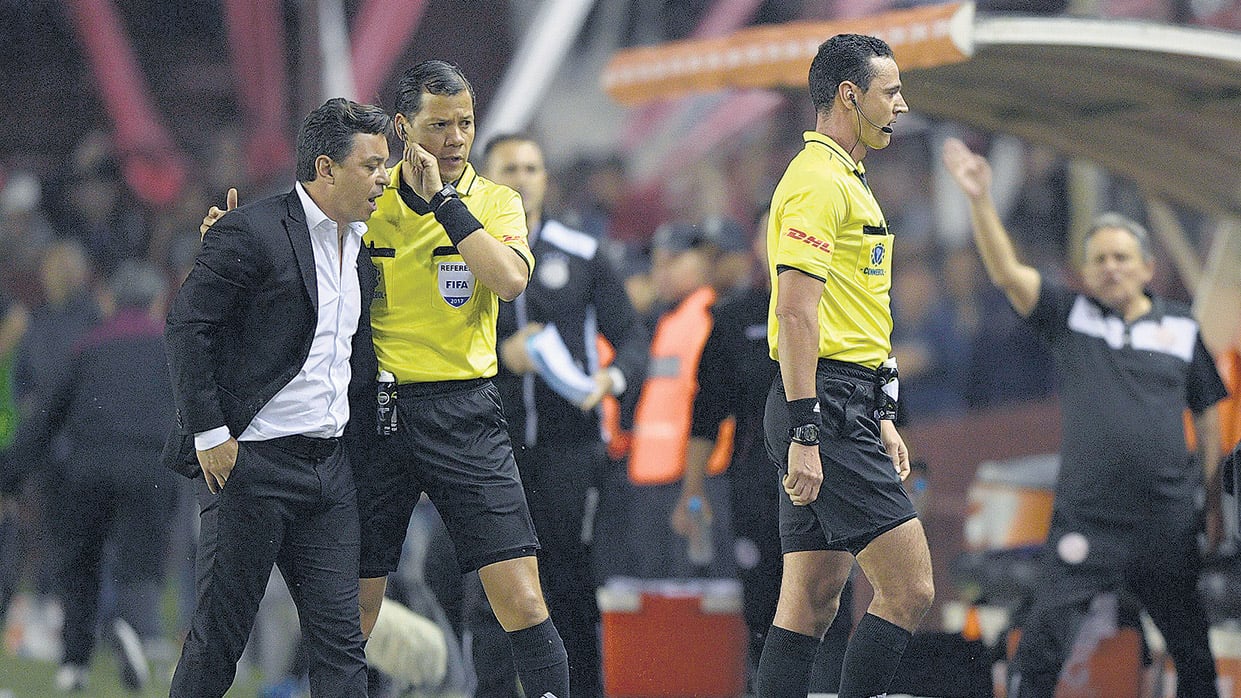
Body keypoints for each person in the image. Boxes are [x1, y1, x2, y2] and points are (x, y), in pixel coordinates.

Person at [942, 137, 1229, 697]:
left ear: (1147, 266)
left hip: (1166, 520)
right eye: (1098, 258)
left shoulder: (1183, 328)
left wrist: (1212, 500)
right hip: (1088, 518)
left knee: (1193, 652)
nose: (1110, 267)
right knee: (1044, 645)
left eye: (1122, 257)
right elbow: (1007, 273)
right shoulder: (1072, 316)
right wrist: (979, 200)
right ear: (1085, 270)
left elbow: (1211, 415)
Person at [354, 60, 570, 698]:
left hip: (467, 415)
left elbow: (507, 280)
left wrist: (445, 204)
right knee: (356, 609)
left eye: (465, 123)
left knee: (523, 602)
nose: (454, 138)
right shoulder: (369, 200)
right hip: (382, 414)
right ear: (402, 127)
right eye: (438, 124)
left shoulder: (496, 200)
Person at [162, 97, 391, 697]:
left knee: (343, 648)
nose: (383, 177)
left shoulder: (363, 247)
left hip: (329, 473)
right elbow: (189, 326)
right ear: (325, 168)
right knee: (219, 640)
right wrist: (210, 434)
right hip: (250, 467)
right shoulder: (252, 229)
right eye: (370, 165)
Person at [756, 34, 935, 698]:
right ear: (849, 96)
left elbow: (854, 313)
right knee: (910, 587)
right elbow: (796, 313)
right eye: (890, 93)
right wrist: (807, 432)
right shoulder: (816, 183)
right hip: (822, 409)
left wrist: (882, 413)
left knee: (811, 597)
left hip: (841, 402)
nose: (901, 106)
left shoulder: (845, 180)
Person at [464, 133, 648, 698]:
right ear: (485, 178)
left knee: (569, 586)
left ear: (546, 178)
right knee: (488, 591)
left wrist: (611, 380)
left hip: (570, 451)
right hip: (487, 449)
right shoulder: (455, 250)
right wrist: (502, 356)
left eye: (532, 167)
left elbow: (633, 337)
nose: (521, 177)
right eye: (508, 168)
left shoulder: (582, 252)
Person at [0, 261, 173, 693]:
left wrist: (8, 480)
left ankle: (74, 662)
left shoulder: (89, 346)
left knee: (80, 563)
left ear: (110, 301)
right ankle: (132, 630)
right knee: (139, 564)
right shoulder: (170, 348)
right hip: (148, 468)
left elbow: (45, 420)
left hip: (86, 467)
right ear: (157, 302)